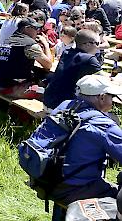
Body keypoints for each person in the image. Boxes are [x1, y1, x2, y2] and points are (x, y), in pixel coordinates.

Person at [45, 74, 122, 206]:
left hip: (47, 179)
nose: (113, 101)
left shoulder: (65, 105)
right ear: (102, 97)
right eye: (112, 97)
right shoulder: (103, 124)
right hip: (73, 188)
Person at [0, 17, 53, 99]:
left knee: (37, 76)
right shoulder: (30, 45)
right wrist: (46, 44)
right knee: (49, 93)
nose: (38, 31)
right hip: (8, 88)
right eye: (36, 28)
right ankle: (20, 111)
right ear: (26, 29)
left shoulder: (8, 40)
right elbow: (48, 65)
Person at [44, 29, 102, 110]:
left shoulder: (66, 52)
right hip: (63, 109)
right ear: (88, 44)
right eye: (97, 43)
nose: (98, 47)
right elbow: (103, 82)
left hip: (48, 102)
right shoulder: (89, 59)